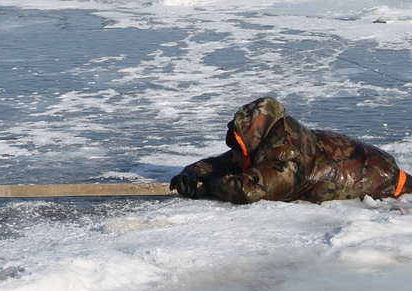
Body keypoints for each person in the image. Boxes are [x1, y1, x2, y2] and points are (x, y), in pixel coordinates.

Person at [170, 96, 410, 204]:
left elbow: (248, 190)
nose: (233, 156)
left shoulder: (288, 160)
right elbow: (226, 163)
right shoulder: (273, 138)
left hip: (388, 187)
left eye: (237, 148)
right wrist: (193, 172)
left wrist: (213, 182)